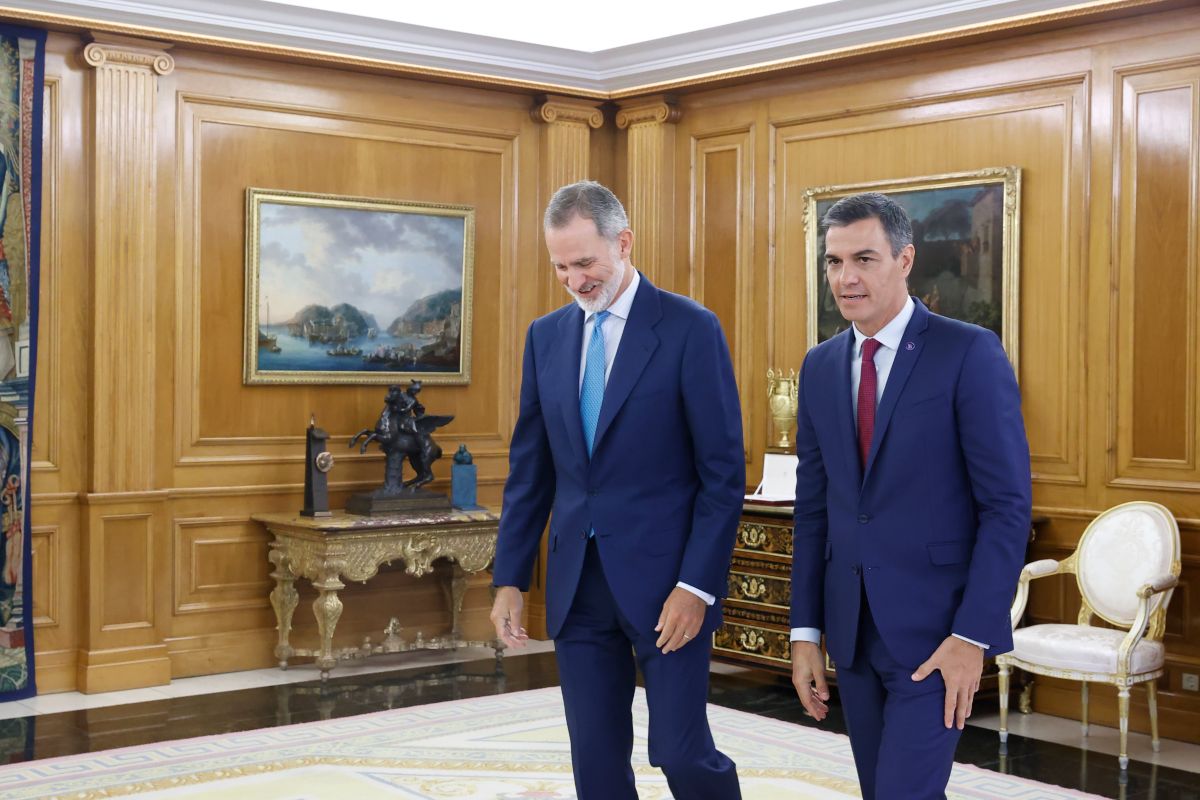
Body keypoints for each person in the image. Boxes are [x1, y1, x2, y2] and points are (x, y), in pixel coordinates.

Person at [490, 180, 744, 799]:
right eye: (560, 267)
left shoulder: (690, 328)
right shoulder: (545, 337)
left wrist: (696, 586)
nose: (574, 280)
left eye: (585, 263)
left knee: (681, 752)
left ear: (624, 243)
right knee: (597, 764)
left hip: (668, 588)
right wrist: (510, 579)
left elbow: (722, 475)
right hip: (577, 584)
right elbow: (531, 469)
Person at [789, 192, 1031, 799]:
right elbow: (813, 512)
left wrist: (972, 637)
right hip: (852, 633)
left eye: (864, 259)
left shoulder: (967, 352)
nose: (846, 278)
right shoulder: (819, 367)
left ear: (905, 260)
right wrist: (805, 633)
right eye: (834, 261)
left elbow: (1005, 508)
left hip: (938, 636)